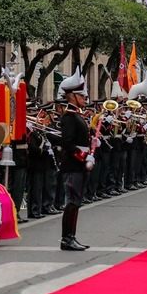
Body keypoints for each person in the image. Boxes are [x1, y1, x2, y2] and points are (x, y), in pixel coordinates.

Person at [57, 68, 93, 251]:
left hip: (79, 165)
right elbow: (67, 143)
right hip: (73, 165)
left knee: (76, 201)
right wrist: (83, 155)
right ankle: (66, 238)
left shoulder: (77, 115)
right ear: (73, 96)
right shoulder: (69, 117)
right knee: (72, 202)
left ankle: (72, 236)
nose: (85, 99)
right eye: (82, 96)